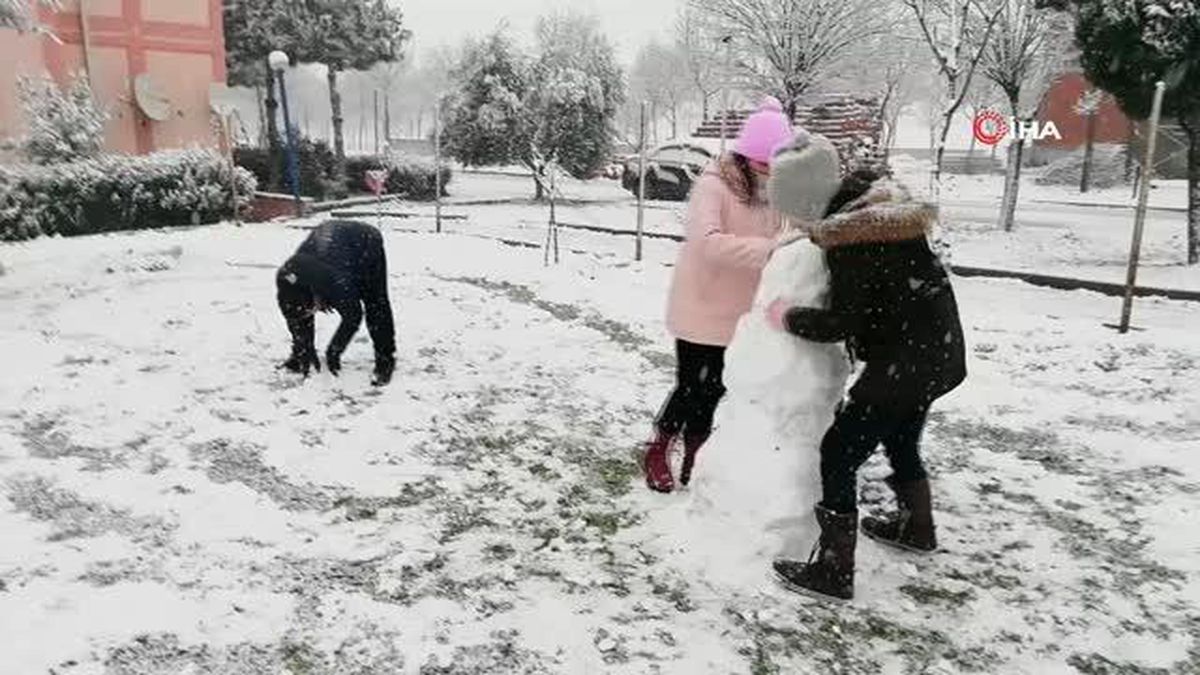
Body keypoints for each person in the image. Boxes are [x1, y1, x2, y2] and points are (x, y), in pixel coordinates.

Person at [763, 166, 968, 602]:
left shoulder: (852, 240)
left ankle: (834, 570)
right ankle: (917, 527)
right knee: (900, 439)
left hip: (904, 363)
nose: (795, 226)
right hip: (938, 354)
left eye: (793, 214)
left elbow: (843, 321)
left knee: (839, 453)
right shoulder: (889, 222)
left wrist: (787, 316)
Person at [642, 97, 796, 494]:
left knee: (717, 387)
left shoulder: (779, 189)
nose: (769, 170)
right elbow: (706, 241)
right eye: (763, 162)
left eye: (775, 163)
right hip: (701, 304)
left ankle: (698, 449)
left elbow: (789, 234)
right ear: (745, 156)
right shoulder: (713, 185)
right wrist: (768, 249)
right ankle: (660, 446)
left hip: (741, 310)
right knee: (692, 384)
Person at [276, 219, 396, 386]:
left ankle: (385, 360)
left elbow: (353, 317)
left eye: (312, 310)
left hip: (365, 242)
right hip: (332, 246)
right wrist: (303, 350)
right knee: (299, 310)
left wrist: (334, 351)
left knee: (375, 302)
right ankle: (297, 355)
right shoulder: (287, 279)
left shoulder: (338, 284)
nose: (310, 314)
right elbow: (296, 318)